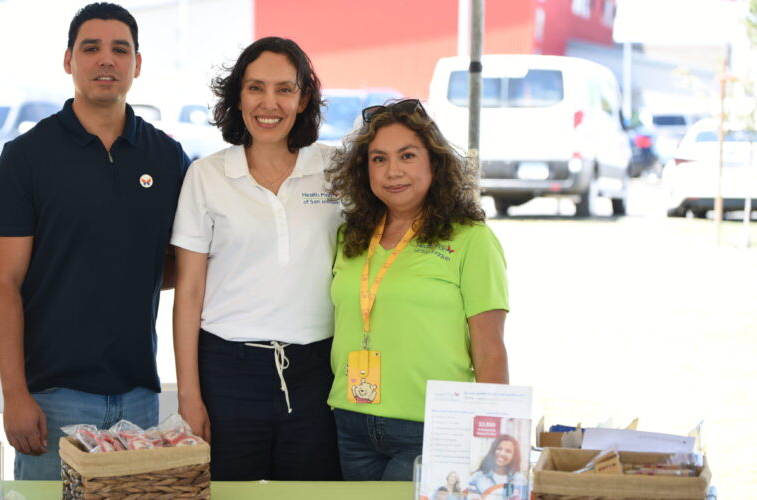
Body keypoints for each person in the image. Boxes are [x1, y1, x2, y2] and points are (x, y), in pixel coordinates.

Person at [0, 2, 190, 480]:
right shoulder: (26, 159)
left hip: (140, 395)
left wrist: (123, 276)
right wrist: (15, 394)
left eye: (120, 49)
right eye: (90, 48)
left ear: (137, 63)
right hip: (51, 398)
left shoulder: (168, 157)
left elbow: (184, 265)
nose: (106, 59)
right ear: (68, 60)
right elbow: (3, 284)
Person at [171, 36, 342, 480]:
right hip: (227, 370)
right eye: (256, 88)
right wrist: (189, 394)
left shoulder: (339, 169)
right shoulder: (206, 175)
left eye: (285, 89)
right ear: (238, 96)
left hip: (318, 371)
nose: (270, 103)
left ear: (304, 98)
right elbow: (188, 292)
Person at [325, 99, 509, 480]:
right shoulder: (350, 237)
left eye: (407, 156)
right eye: (378, 159)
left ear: (434, 162)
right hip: (351, 422)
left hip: (430, 428)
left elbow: (490, 352)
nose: (392, 171)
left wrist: (491, 443)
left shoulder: (472, 240)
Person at [467, 434, 526, 500]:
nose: (502, 453)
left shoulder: (519, 478)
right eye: (499, 449)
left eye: (508, 451)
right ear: (493, 450)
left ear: (513, 456)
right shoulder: (478, 477)